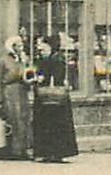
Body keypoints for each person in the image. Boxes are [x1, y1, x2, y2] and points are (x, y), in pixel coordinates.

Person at [32, 34, 78, 163]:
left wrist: (42, 78)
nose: (40, 47)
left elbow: (56, 77)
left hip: (52, 98)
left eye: (43, 44)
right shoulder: (45, 58)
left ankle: (55, 152)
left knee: (53, 125)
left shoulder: (55, 60)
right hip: (50, 98)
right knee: (49, 125)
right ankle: (51, 152)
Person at [0, 36, 35, 160]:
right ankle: (15, 150)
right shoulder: (3, 61)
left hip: (22, 90)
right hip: (10, 91)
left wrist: (26, 65)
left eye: (21, 46)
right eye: (18, 46)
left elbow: (30, 74)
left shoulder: (24, 60)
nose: (20, 48)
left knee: (25, 118)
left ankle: (25, 149)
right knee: (14, 119)